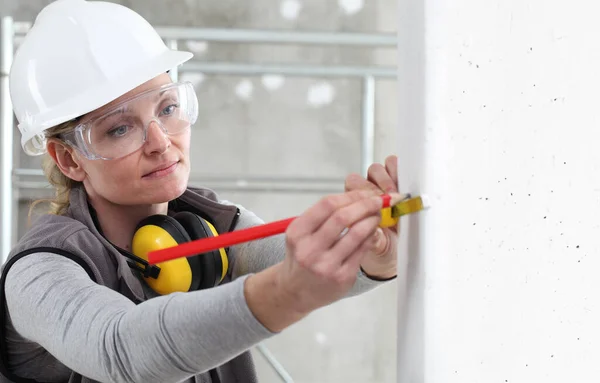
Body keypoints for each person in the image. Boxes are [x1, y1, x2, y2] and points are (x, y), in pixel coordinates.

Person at [0, 1, 400, 382]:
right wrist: (283, 293)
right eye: (120, 128)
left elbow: (301, 259)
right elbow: (119, 349)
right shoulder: (39, 273)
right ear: (69, 159)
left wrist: (372, 252)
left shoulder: (214, 222)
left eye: (167, 108)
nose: (160, 141)